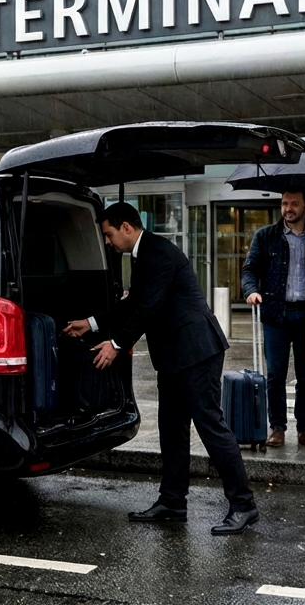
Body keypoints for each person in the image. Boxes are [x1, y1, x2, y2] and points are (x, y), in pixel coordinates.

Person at [64, 202, 258, 535]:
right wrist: (92, 323)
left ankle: (243, 505)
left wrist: (116, 344)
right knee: (172, 429)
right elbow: (132, 302)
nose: (107, 242)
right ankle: (172, 502)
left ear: (126, 228)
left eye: (109, 235)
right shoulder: (143, 254)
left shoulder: (158, 253)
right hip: (173, 356)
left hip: (196, 352)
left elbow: (148, 308)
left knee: (211, 427)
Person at [240, 190, 305, 449]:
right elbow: (249, 269)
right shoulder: (265, 235)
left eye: (294, 204)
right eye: (284, 203)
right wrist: (251, 290)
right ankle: (277, 427)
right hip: (276, 313)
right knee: (276, 374)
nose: (288, 208)